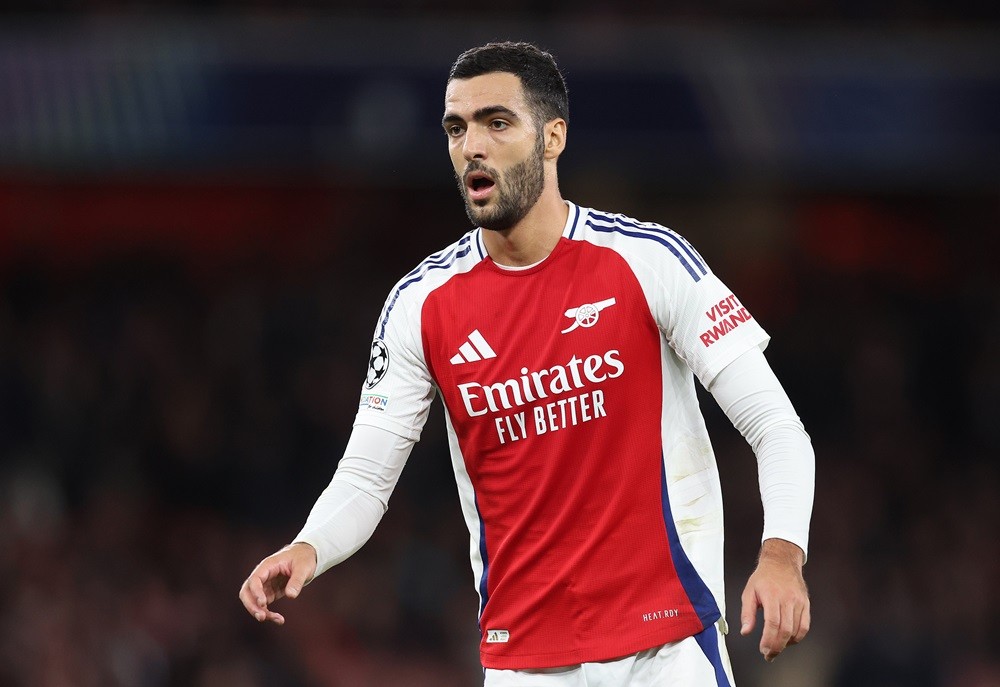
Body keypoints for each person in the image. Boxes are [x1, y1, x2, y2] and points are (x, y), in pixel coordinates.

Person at [239, 41, 814, 686]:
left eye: (496, 122)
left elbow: (775, 425)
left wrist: (782, 554)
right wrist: (309, 547)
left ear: (552, 137)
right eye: (456, 129)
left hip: (667, 652)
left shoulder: (648, 261)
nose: (471, 147)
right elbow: (367, 478)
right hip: (524, 667)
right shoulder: (420, 307)